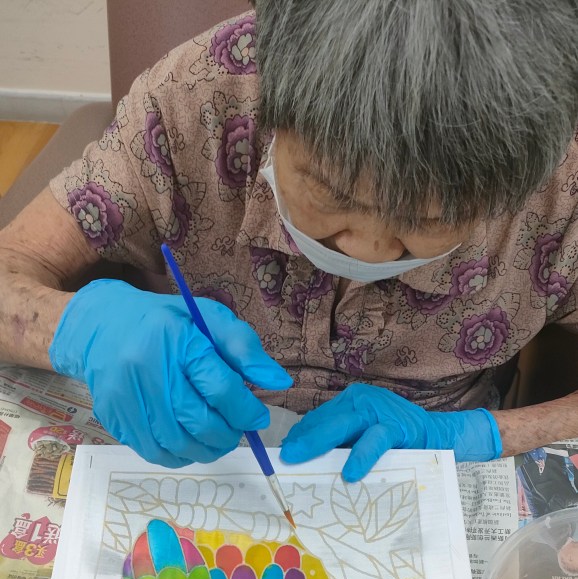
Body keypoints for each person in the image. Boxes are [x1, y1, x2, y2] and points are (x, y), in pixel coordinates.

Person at [1, 0, 578, 481]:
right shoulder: (201, 98)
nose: (368, 250)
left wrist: (479, 434)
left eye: (428, 220)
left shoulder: (558, 172)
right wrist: (79, 330)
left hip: (432, 473)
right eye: (330, 192)